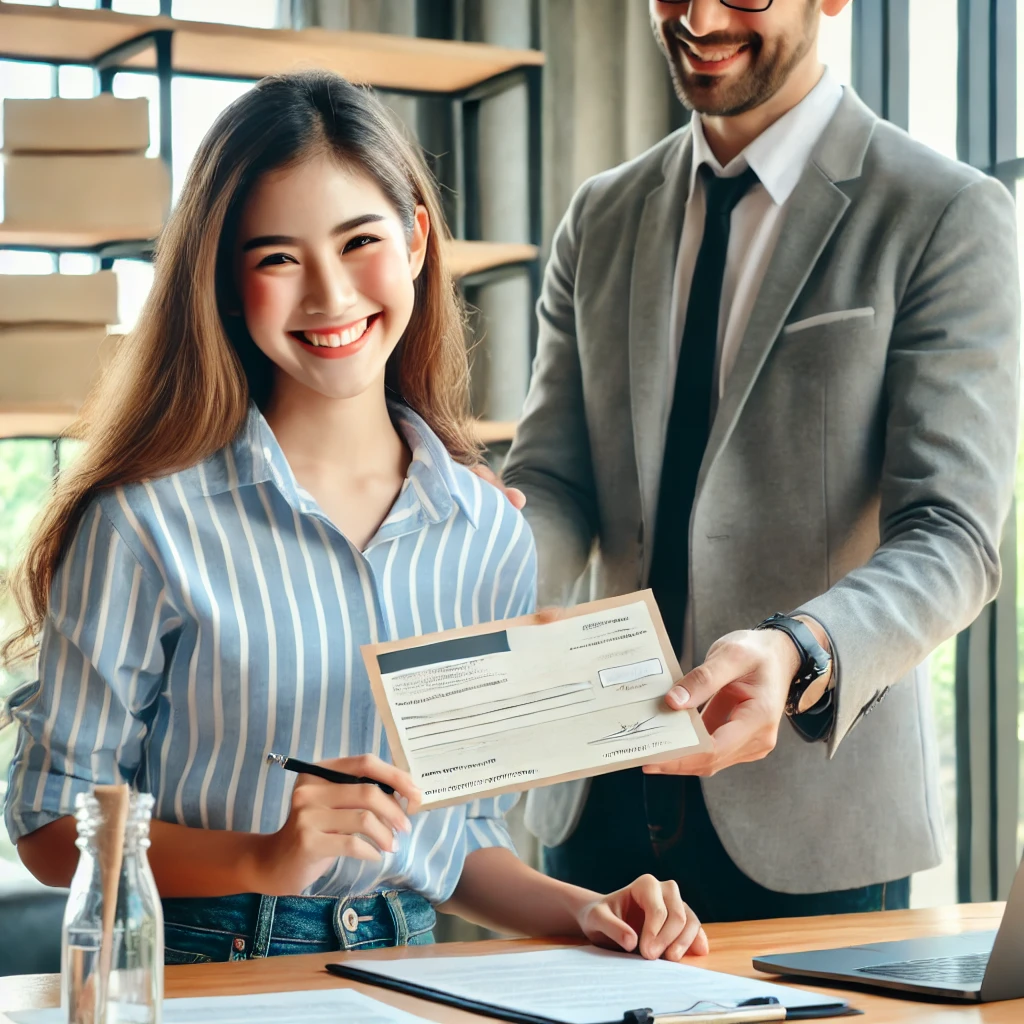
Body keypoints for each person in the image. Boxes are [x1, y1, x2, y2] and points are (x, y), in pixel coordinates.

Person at [2, 70, 709, 963]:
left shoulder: (486, 533)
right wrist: (265, 857)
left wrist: (587, 911)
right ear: (226, 279)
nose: (329, 295)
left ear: (416, 238)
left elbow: (455, 850)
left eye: (359, 240)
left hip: (411, 964)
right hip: (204, 965)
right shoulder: (145, 522)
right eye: (276, 257)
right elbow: (49, 825)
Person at [499, 0, 1021, 922]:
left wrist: (800, 649)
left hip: (814, 813)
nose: (698, 18)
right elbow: (555, 480)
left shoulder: (945, 212)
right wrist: (482, 582)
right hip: (593, 805)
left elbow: (953, 536)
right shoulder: (602, 214)